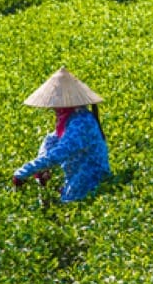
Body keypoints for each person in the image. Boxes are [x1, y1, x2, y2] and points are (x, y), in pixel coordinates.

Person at [13, 66, 110, 202]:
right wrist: (41, 167)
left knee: (69, 210)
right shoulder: (69, 118)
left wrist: (24, 172)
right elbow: (51, 141)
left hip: (91, 178)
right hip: (75, 177)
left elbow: (62, 152)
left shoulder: (81, 122)